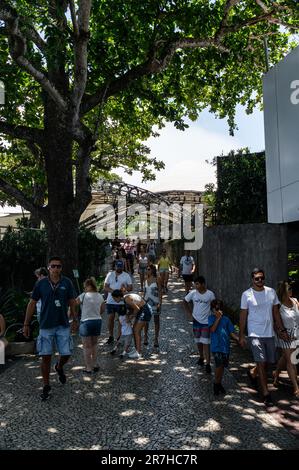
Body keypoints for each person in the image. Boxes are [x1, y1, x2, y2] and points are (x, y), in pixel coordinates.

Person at [23, 257, 77, 401]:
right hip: (46, 325)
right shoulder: (41, 284)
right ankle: (46, 385)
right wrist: (26, 324)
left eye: (58, 266)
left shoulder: (67, 282)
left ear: (61, 268)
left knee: (66, 353)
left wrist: (75, 320)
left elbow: (72, 302)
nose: (56, 269)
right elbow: (32, 303)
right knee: (45, 357)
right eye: (53, 266)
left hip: (63, 324)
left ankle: (59, 366)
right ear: (48, 268)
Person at [239, 268, 289, 406]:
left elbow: (276, 314)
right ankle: (266, 394)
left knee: (269, 362)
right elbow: (243, 315)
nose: (260, 280)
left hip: (269, 334)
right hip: (255, 334)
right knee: (261, 362)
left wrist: (282, 329)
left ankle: (252, 372)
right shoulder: (246, 295)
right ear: (252, 279)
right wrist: (241, 335)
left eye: (262, 278)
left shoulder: (271, 292)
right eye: (257, 278)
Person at [272, 281, 299, 397]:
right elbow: (275, 322)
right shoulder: (278, 305)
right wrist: (280, 332)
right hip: (285, 335)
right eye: (289, 288)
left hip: (297, 334)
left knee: (285, 357)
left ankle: (276, 374)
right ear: (283, 291)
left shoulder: (296, 301)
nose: (291, 290)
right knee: (292, 361)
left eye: (291, 288)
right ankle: (296, 387)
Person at [183, 276, 215, 373]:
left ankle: (208, 363)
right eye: (195, 284)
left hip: (206, 322)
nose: (195, 286)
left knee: (206, 342)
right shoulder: (193, 293)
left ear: (203, 284)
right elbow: (184, 301)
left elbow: (214, 306)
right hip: (196, 321)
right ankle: (201, 357)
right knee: (199, 341)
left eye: (197, 284)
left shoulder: (210, 294)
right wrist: (189, 314)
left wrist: (214, 319)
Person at [208, 299, 239, 396]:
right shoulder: (211, 318)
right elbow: (212, 329)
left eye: (219, 308)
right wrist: (218, 318)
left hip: (225, 347)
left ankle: (218, 383)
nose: (218, 310)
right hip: (216, 347)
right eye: (216, 309)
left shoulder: (226, 319)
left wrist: (238, 339)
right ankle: (216, 384)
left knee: (222, 367)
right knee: (218, 365)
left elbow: (231, 332)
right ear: (212, 310)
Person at [111, 290, 152, 359]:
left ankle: (138, 353)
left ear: (118, 297)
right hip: (142, 310)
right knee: (134, 330)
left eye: (114, 298)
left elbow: (137, 309)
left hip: (145, 310)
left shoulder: (127, 299)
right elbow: (133, 309)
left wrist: (130, 318)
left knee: (136, 331)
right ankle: (137, 349)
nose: (113, 300)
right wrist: (128, 315)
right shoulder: (125, 299)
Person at [76, 277, 105, 374]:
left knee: (86, 346)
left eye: (85, 286)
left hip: (86, 322)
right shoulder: (100, 296)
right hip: (97, 321)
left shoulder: (83, 295)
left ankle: (88, 368)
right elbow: (102, 309)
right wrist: (95, 313)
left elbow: (74, 303)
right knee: (94, 344)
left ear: (89, 286)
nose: (84, 288)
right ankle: (95, 364)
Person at [104, 260, 133, 344]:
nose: (119, 268)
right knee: (110, 318)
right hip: (110, 301)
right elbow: (105, 287)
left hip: (121, 301)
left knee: (121, 320)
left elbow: (131, 287)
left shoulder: (126, 275)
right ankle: (110, 336)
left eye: (121, 267)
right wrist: (113, 292)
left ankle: (119, 337)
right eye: (118, 266)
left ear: (123, 267)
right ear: (115, 266)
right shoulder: (110, 274)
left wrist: (125, 289)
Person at [144, 264, 163, 348]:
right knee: (145, 321)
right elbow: (145, 291)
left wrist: (160, 302)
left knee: (156, 320)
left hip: (155, 302)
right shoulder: (145, 279)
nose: (146, 271)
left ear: (152, 270)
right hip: (146, 302)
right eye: (146, 269)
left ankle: (156, 339)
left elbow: (160, 291)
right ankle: (145, 337)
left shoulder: (157, 279)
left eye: (148, 269)